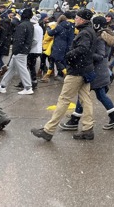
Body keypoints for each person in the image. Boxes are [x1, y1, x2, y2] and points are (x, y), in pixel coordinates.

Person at [31, 9, 96, 141]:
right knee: (86, 99)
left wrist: (69, 56)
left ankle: (49, 130)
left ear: (83, 19)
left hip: (77, 70)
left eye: (77, 18)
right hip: (86, 69)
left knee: (64, 99)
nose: (75, 20)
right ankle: (88, 128)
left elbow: (82, 49)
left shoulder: (84, 33)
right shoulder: (90, 31)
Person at [59, 15, 114, 131]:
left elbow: (101, 55)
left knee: (85, 95)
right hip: (100, 71)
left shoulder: (100, 38)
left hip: (96, 71)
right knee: (96, 95)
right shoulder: (105, 35)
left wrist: (87, 54)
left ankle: (75, 120)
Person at [0, 8, 34, 95]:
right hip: (24, 50)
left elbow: (18, 40)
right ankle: (3, 86)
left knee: (22, 69)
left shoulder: (22, 25)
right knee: (12, 69)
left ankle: (28, 87)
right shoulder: (30, 25)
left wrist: (16, 50)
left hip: (19, 51)